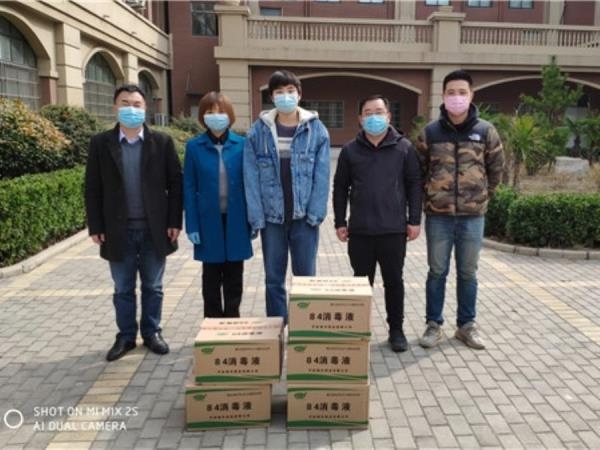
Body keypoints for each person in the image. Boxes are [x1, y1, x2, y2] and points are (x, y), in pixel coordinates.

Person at [84, 84, 183, 362]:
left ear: (145, 108)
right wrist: (96, 225)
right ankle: (126, 336)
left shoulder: (162, 142)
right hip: (117, 230)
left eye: (137, 104)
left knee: (153, 286)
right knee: (123, 288)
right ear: (115, 107)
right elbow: (92, 187)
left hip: (155, 228)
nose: (131, 109)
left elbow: (176, 184)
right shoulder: (101, 143)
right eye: (125, 103)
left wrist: (175, 221)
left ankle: (152, 332)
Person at [416, 69, 504, 350]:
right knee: (436, 272)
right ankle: (433, 325)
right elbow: (418, 172)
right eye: (451, 92)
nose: (457, 97)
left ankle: (466, 326)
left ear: (471, 95)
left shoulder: (485, 131)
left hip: (472, 217)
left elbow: (496, 169)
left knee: (468, 273)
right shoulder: (430, 133)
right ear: (443, 96)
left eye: (462, 92)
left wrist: (482, 197)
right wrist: (429, 199)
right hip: (438, 217)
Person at [333, 94, 422, 353]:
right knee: (361, 284)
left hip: (393, 230)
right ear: (360, 119)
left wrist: (414, 220)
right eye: (369, 113)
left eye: (379, 112)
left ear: (389, 116)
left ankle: (396, 330)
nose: (374, 117)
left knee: (394, 281)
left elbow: (414, 185)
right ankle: (358, 329)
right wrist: (340, 221)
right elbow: (340, 188)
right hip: (360, 231)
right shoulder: (350, 150)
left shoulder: (404, 148)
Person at [243, 70, 330, 324]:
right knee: (274, 279)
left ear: (299, 94)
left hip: (304, 219)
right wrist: (257, 218)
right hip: (272, 220)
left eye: (290, 91)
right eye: (279, 92)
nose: (285, 96)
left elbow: (322, 176)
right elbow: (250, 177)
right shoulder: (258, 132)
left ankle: (304, 329)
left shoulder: (316, 130)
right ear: (272, 97)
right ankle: (277, 328)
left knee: (305, 279)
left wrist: (315, 214)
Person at [183, 92, 252, 318]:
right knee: (211, 277)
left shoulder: (242, 145)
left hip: (237, 219)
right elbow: (189, 188)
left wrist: (253, 220)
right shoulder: (194, 147)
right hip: (208, 220)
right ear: (203, 116)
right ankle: (212, 322)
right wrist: (192, 225)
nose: (216, 116)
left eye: (221, 111)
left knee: (234, 275)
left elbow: (251, 185)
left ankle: (232, 320)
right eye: (210, 112)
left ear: (230, 114)